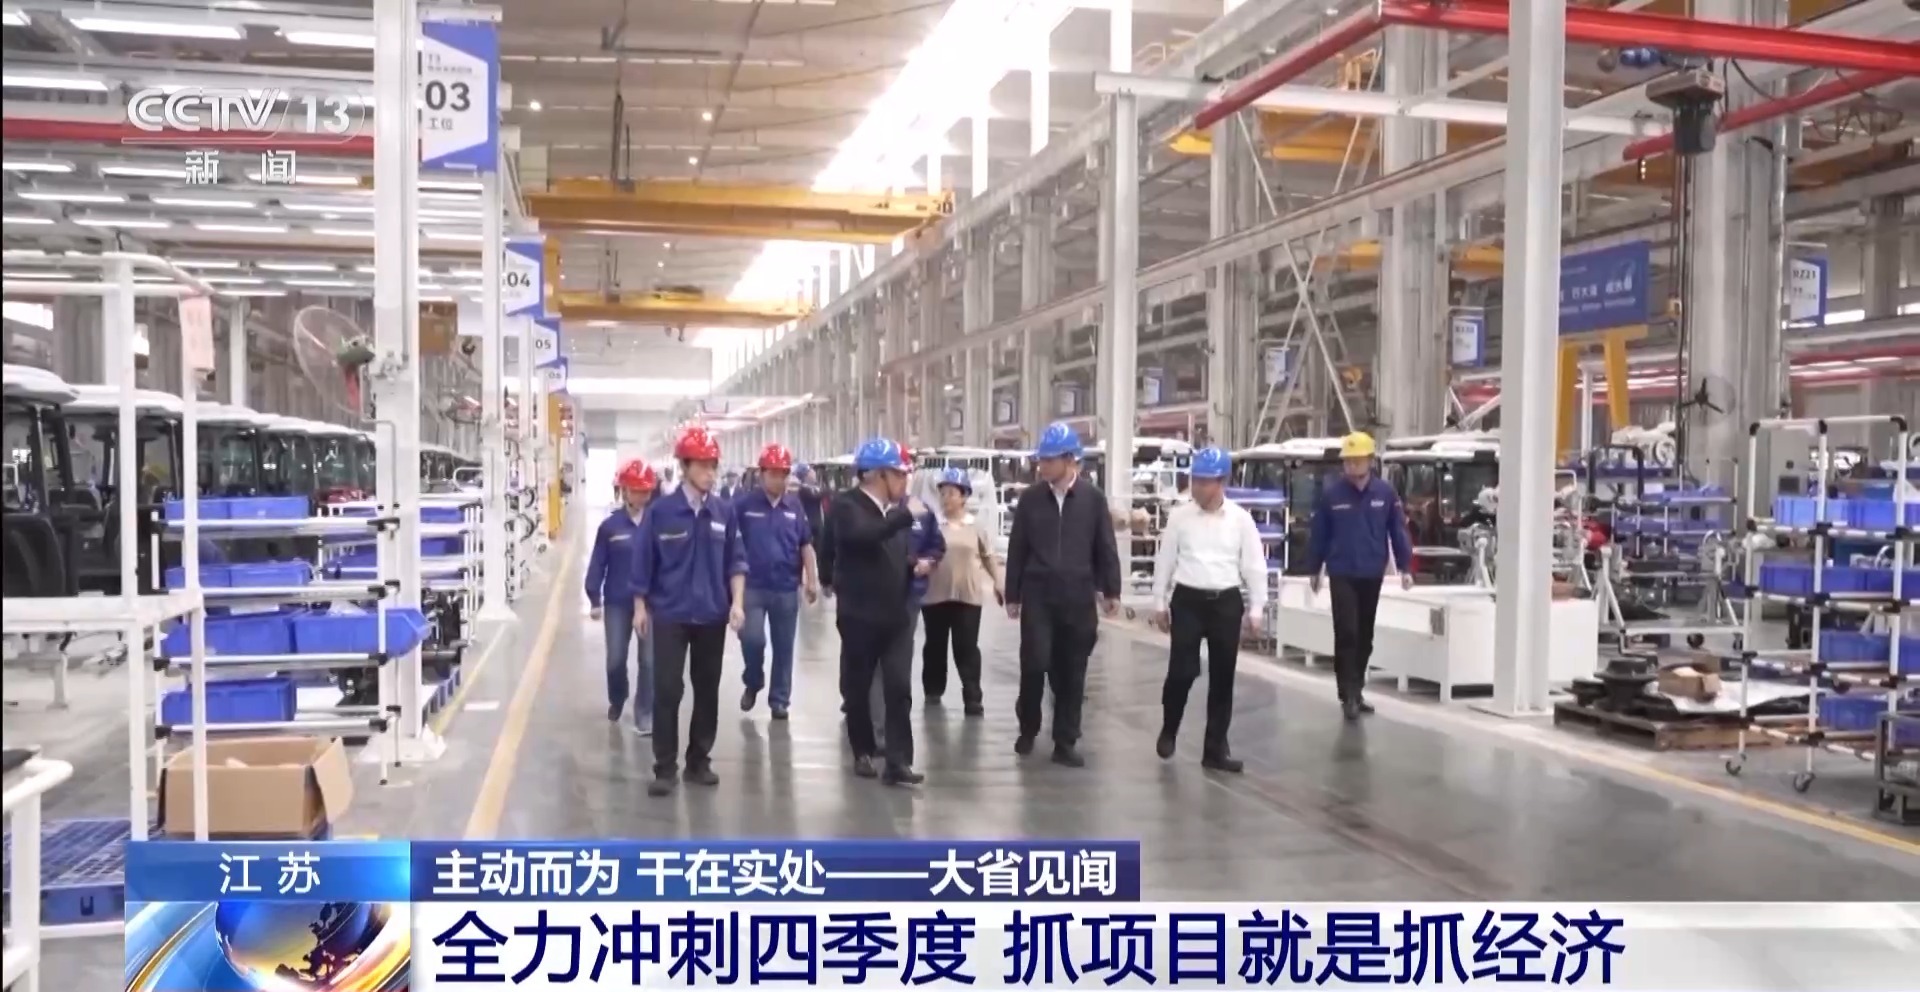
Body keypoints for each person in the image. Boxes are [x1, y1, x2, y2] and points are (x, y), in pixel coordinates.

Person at [629, 425, 747, 796]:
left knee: (707, 689)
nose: (710, 473)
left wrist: (737, 603)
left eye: (713, 465)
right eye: (703, 465)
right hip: (670, 613)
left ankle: (699, 761)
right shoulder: (661, 512)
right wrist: (639, 607)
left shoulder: (723, 511)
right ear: (684, 466)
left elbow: (736, 561)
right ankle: (665, 767)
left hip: (712, 614)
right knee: (667, 689)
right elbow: (643, 561)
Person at [1004, 421, 1122, 767]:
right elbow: (1017, 547)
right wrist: (1012, 593)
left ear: (1070, 460)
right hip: (1038, 595)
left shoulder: (1092, 500)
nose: (1042, 466)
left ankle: (1065, 740)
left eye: (1049, 460)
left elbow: (1105, 546)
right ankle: (1028, 725)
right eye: (1041, 459)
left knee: (1072, 671)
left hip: (1078, 597)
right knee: (1035, 662)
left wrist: (1111, 589)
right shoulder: (1030, 500)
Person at [1150, 447, 1265, 772]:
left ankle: (1215, 749)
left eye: (1204, 482)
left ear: (1222, 482)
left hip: (1225, 602)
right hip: (1188, 600)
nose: (1197, 488)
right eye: (1194, 480)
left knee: (1223, 678)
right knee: (1181, 671)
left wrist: (1256, 608)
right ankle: (1169, 728)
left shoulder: (1241, 520)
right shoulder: (1179, 517)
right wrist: (1159, 601)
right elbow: (1166, 560)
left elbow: (1254, 565)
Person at [823, 437, 924, 786]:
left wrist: (912, 568)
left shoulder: (893, 513)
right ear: (879, 475)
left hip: (895, 614)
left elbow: (892, 552)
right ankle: (863, 750)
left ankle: (898, 761)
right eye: (899, 474)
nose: (905, 481)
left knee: (899, 687)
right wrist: (903, 517)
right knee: (859, 685)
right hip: (859, 614)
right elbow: (861, 536)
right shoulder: (847, 506)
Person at [1305, 431, 1414, 720]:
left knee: (1365, 635)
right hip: (1342, 571)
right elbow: (1319, 534)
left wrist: (1405, 566)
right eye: (1347, 461)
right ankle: (1347, 694)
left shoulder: (1385, 494)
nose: (1351, 465)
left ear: (1370, 461)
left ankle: (1357, 689)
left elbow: (1398, 531)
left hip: (1371, 572)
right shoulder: (1332, 495)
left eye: (1356, 460)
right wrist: (1314, 568)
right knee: (1347, 632)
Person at [737, 443, 818, 720]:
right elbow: (731, 544)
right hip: (752, 586)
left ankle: (780, 700)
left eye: (783, 474)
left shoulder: (794, 506)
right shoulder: (744, 506)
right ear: (761, 474)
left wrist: (811, 580)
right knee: (752, 638)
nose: (779, 479)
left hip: (785, 586)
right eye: (773, 473)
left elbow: (805, 544)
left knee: (784, 646)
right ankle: (753, 679)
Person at [870, 453, 943, 741]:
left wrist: (929, 561)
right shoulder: (869, 512)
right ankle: (876, 731)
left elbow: (937, 545)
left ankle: (896, 732)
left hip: (908, 598)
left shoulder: (922, 511)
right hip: (873, 599)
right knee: (874, 666)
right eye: (897, 475)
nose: (902, 481)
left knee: (899, 667)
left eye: (905, 475)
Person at [921, 467, 1003, 716]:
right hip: (935, 595)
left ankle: (972, 697)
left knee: (966, 647)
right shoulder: (932, 525)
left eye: (951, 493)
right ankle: (933, 690)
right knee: (935, 645)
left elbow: (988, 556)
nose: (946, 498)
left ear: (964, 496)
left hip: (968, 596)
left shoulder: (975, 526)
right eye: (943, 493)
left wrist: (998, 582)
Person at [585, 458, 658, 734]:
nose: (641, 496)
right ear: (624, 491)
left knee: (649, 662)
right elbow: (598, 563)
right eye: (636, 490)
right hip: (617, 602)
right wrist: (594, 597)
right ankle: (618, 696)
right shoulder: (610, 527)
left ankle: (644, 713)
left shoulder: (658, 524)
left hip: (651, 604)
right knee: (615, 659)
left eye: (646, 491)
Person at [792, 463, 827, 544]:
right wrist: (825, 490)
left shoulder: (815, 488)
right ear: (805, 476)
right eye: (811, 472)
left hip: (818, 524)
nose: (814, 474)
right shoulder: (802, 489)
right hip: (810, 524)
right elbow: (816, 497)